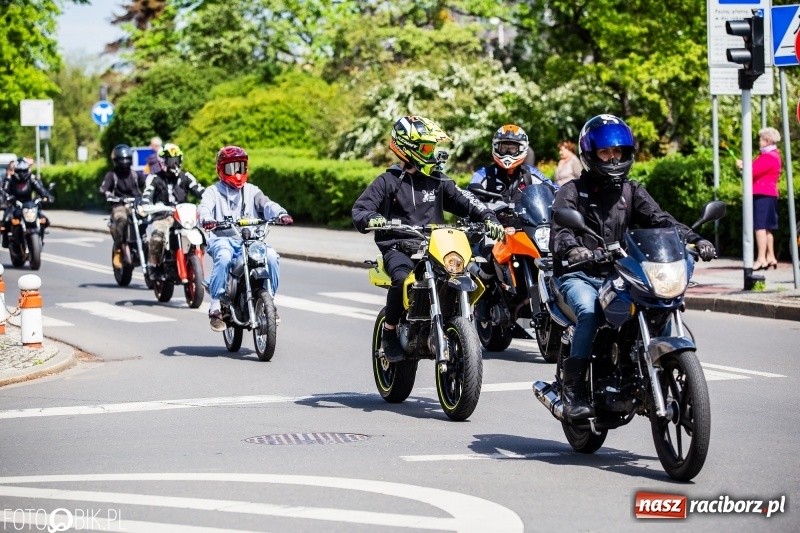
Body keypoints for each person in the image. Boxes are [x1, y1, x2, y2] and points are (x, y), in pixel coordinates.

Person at [550, 114, 716, 420]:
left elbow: (661, 220)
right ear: (590, 155)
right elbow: (561, 232)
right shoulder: (572, 191)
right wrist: (574, 250)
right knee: (590, 312)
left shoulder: (631, 190)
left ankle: (648, 371)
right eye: (605, 152)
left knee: (657, 305)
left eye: (618, 152)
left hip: (620, 274)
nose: (613, 158)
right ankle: (573, 390)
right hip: (582, 274)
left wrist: (694, 238)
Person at [352, 115, 504, 363]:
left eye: (433, 147)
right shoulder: (387, 181)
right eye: (426, 148)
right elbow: (361, 209)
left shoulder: (438, 180)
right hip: (399, 247)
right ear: (407, 148)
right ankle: (389, 332)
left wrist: (489, 217)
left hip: (436, 246)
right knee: (402, 279)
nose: (432, 153)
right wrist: (372, 217)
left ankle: (460, 327)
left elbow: (467, 200)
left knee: (465, 272)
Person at [198, 146, 293, 332]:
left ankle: (270, 302)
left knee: (271, 256)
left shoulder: (252, 190)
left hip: (251, 241)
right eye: (231, 168)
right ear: (221, 169)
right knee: (224, 257)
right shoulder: (213, 191)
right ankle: (215, 307)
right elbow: (204, 208)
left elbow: (267, 204)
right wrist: (207, 219)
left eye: (240, 167)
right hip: (223, 239)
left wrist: (280, 213)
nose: (237, 173)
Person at [139, 143, 205, 273]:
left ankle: (193, 263)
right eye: (171, 161)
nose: (174, 164)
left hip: (184, 217)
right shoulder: (154, 178)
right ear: (162, 161)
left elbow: (199, 189)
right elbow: (147, 194)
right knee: (157, 238)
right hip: (162, 216)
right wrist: (145, 204)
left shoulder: (186, 176)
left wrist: (211, 198)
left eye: (177, 160)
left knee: (202, 237)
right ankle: (154, 265)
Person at [468, 124, 556, 203]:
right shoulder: (484, 174)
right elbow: (468, 197)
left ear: (522, 148)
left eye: (513, 149)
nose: (508, 153)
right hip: (491, 216)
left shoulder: (530, 173)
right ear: (496, 147)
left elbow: (554, 189)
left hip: (524, 216)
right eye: (504, 148)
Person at [736, 127, 781, 270]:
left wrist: (743, 167)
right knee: (767, 228)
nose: (759, 142)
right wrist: (745, 166)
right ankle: (771, 257)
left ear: (767, 141)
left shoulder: (768, 156)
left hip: (762, 194)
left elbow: (752, 172)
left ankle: (761, 259)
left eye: (761, 139)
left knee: (759, 227)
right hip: (768, 194)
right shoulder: (773, 155)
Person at [99, 144, 147, 268]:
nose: (124, 162)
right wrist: (108, 195)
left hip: (136, 205)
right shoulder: (112, 175)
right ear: (116, 161)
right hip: (119, 205)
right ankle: (118, 249)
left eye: (126, 159)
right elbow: (104, 189)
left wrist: (150, 193)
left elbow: (148, 185)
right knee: (121, 220)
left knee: (148, 219)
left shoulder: (136, 175)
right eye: (121, 160)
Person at [1, 158, 54, 248]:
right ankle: (6, 240)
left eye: (24, 171)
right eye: (19, 171)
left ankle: (40, 238)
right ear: (15, 170)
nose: (22, 173)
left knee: (44, 220)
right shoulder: (11, 180)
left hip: (29, 206)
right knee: (6, 220)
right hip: (15, 205)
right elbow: (4, 191)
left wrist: (47, 196)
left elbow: (41, 189)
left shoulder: (31, 179)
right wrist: (5, 200)